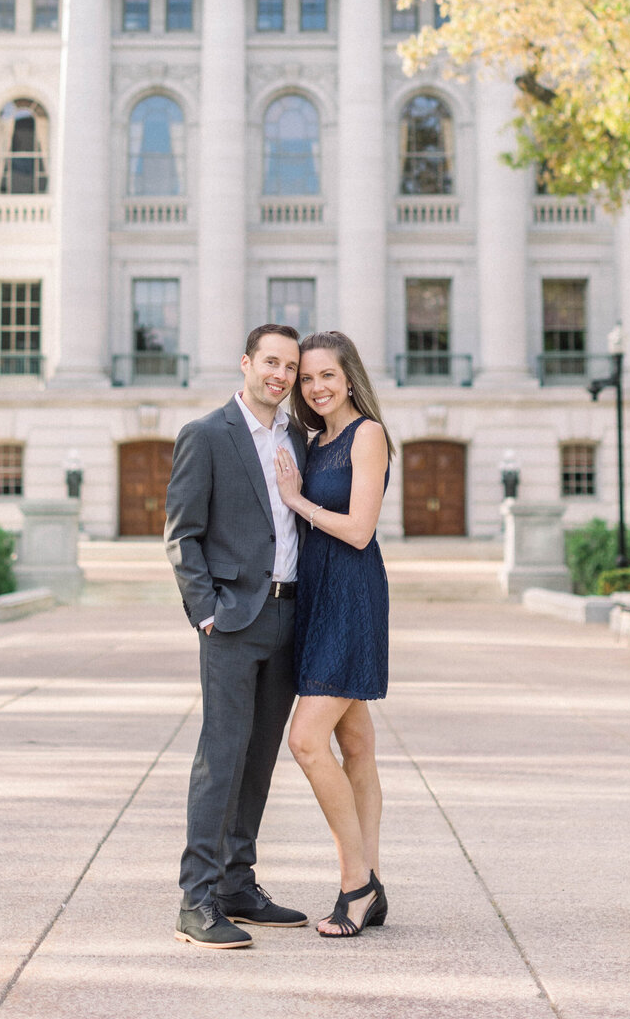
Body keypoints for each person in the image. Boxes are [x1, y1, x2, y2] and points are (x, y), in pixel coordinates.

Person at [164, 323, 310, 950]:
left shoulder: (299, 437)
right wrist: (206, 609)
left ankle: (236, 884)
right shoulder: (207, 435)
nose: (280, 375)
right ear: (246, 362)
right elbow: (182, 533)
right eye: (271, 362)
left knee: (259, 757)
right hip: (232, 619)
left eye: (290, 367)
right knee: (221, 755)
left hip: (288, 616)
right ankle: (195, 900)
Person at [273, 330, 392, 939]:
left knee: (307, 741)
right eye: (307, 378)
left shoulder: (367, 435)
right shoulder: (312, 440)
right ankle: (371, 880)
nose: (317, 387)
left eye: (328, 375)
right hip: (316, 598)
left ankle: (356, 883)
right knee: (358, 746)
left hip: (351, 595)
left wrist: (296, 499)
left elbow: (361, 531)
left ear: (350, 377)